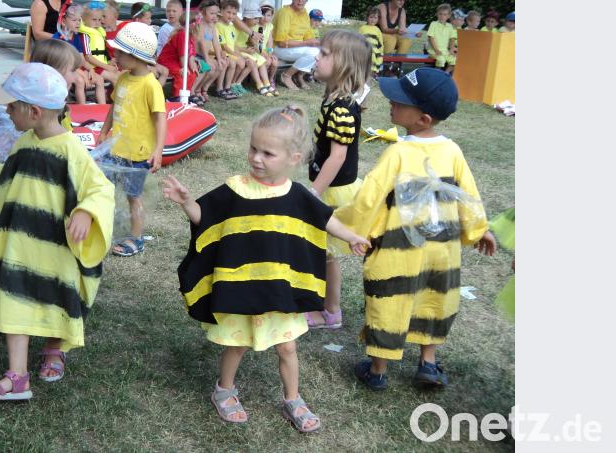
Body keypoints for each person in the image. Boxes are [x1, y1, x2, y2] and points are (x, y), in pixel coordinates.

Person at [163, 105, 370, 433]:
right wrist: (187, 202)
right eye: (254, 149)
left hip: (280, 290)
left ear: (294, 157)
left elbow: (326, 218)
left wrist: (353, 236)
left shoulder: (298, 195)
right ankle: (224, 390)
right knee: (238, 343)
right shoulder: (235, 189)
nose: (257, 158)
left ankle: (293, 399)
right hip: (244, 287)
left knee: (287, 347)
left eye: (268, 153)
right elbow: (205, 217)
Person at [0, 62, 115, 400]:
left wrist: (85, 211)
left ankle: (54, 347)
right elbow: (14, 180)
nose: (6, 111)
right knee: (15, 303)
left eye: (12, 105)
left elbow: (100, 189)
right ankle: (17, 376)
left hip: (53, 250)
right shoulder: (24, 141)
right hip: (17, 248)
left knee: (54, 299)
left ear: (34, 111)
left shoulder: (71, 151)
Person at [333, 68, 497, 390]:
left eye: (400, 100)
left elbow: (370, 197)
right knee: (434, 297)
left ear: (422, 119)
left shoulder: (397, 152)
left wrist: (342, 225)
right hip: (442, 249)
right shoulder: (452, 151)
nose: (392, 102)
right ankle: (428, 363)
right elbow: (470, 194)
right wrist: (478, 229)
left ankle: (378, 369)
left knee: (391, 299)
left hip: (398, 250)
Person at [303, 30, 373, 330]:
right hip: (328, 186)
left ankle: (330, 312)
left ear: (344, 64)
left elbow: (337, 157)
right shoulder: (333, 98)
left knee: (325, 254)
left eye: (325, 53)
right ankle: (323, 304)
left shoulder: (343, 108)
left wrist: (313, 193)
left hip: (333, 191)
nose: (317, 57)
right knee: (320, 252)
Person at [100, 22, 167, 257]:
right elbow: (113, 107)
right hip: (115, 147)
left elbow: (160, 119)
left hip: (137, 153)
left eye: (119, 52)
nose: (114, 54)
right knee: (104, 190)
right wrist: (103, 131)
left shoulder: (151, 86)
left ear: (136, 56)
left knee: (132, 197)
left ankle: (136, 238)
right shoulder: (123, 78)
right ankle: (104, 229)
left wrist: (158, 151)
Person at [53, 3, 107, 104]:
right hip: (62, 70)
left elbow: (81, 59)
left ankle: (102, 107)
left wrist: (90, 69)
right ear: (63, 21)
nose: (78, 23)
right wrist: (81, 73)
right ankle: (82, 108)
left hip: (74, 69)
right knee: (80, 81)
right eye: (74, 20)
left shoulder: (76, 38)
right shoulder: (58, 39)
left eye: (79, 20)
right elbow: (63, 63)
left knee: (99, 79)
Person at [157, 0, 207, 105]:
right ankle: (176, 98)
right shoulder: (182, 34)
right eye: (198, 25)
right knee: (182, 74)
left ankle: (186, 94)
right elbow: (182, 54)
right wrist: (184, 68)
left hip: (177, 60)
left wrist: (192, 65)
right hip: (167, 61)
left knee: (192, 73)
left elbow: (191, 53)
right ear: (193, 25)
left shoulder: (191, 35)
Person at [273, 0, 319, 91]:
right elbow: (281, 43)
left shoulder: (304, 12)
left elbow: (308, 36)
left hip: (297, 47)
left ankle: (299, 76)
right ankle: (286, 75)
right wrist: (306, 43)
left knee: (323, 49)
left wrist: (319, 42)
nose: (300, 1)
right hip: (280, 48)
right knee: (314, 52)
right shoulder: (285, 12)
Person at [234, 7, 274, 96]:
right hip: (237, 51)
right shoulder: (239, 28)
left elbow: (251, 42)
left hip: (245, 50)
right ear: (247, 18)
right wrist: (246, 49)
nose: (258, 21)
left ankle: (267, 83)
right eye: (256, 18)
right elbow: (232, 44)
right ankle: (259, 84)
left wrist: (250, 49)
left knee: (262, 61)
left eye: (258, 18)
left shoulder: (249, 28)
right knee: (253, 62)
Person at [217, 0, 251, 98]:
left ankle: (229, 86)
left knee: (243, 61)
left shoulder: (231, 27)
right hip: (223, 53)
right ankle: (222, 87)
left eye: (234, 14)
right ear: (221, 11)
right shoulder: (219, 25)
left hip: (231, 53)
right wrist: (236, 55)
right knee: (233, 62)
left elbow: (234, 44)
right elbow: (224, 46)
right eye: (228, 12)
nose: (231, 16)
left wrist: (239, 54)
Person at [80, 1, 120, 84]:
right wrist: (106, 66)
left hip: (100, 66)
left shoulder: (99, 33)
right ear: (83, 20)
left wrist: (109, 61)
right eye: (94, 20)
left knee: (120, 75)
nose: (98, 23)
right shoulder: (85, 35)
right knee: (115, 77)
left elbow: (102, 53)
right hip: (92, 67)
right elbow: (88, 57)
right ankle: (119, 97)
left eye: (99, 20)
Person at [194, 0, 225, 101]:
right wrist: (207, 59)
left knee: (221, 65)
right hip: (196, 56)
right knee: (209, 67)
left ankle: (204, 88)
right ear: (203, 12)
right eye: (211, 13)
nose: (214, 16)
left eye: (216, 13)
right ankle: (196, 90)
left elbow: (216, 43)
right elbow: (201, 43)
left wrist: (219, 58)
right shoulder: (200, 25)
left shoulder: (212, 26)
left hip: (204, 55)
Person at [427, 3, 458, 73]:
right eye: (440, 14)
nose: (442, 16)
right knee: (441, 60)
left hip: (445, 51)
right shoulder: (433, 24)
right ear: (437, 14)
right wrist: (436, 50)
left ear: (448, 16)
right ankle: (437, 73)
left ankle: (445, 74)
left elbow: (452, 39)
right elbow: (430, 38)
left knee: (455, 60)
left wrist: (451, 49)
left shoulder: (450, 26)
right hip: (434, 51)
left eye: (445, 14)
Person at [258, 1, 279, 92]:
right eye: (263, 15)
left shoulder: (270, 26)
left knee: (274, 62)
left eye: (268, 15)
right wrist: (264, 54)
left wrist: (270, 52)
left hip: (265, 51)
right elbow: (255, 44)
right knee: (266, 62)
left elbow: (270, 41)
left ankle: (270, 79)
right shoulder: (256, 26)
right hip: (257, 50)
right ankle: (263, 80)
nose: (266, 18)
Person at [359, 6, 384, 77]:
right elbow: (358, 40)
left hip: (375, 53)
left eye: (375, 18)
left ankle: (372, 75)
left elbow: (380, 44)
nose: (373, 20)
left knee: (373, 64)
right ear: (367, 17)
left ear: (378, 19)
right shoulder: (362, 28)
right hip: (364, 52)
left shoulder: (378, 30)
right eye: (371, 17)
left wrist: (381, 54)